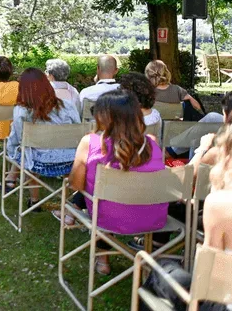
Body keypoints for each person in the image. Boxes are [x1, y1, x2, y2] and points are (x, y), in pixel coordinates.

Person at [141, 100, 232, 310]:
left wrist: (202, 148)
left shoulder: (224, 205)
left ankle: (157, 248)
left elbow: (209, 280)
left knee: (162, 270)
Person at [65, 89, 167, 275]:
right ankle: (150, 259)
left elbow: (77, 185)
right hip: (151, 216)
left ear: (104, 117)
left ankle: (103, 260)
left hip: (109, 217)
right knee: (109, 199)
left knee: (102, 201)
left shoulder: (90, 142)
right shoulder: (152, 142)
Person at [0, 68, 81, 205]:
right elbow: (77, 130)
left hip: (37, 163)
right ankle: (68, 204)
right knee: (30, 149)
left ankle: (34, 201)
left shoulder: (22, 111)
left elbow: (17, 139)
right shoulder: (68, 106)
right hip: (69, 162)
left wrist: (10, 151)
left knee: (27, 151)